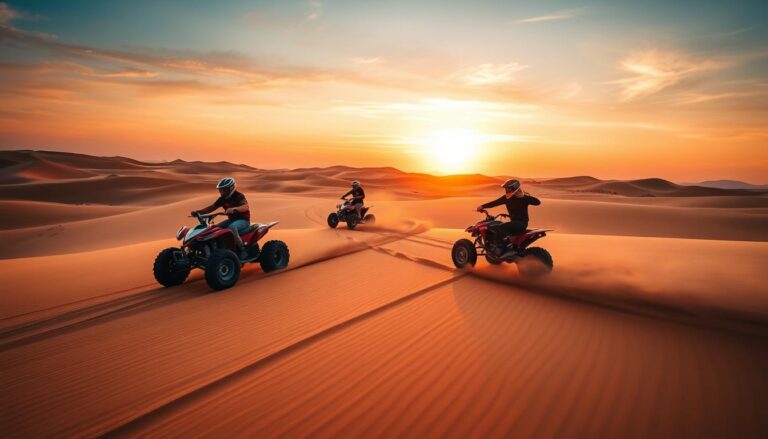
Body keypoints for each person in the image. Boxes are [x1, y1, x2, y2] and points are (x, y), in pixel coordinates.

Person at [190, 177, 251, 259]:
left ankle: (243, 250)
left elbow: (245, 207)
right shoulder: (222, 199)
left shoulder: (238, 196)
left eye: (224, 189)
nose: (222, 192)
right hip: (231, 220)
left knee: (232, 228)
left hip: (243, 220)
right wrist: (198, 212)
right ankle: (218, 248)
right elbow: (212, 207)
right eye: (221, 190)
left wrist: (234, 209)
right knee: (215, 229)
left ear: (231, 188)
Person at [477, 179, 540, 254]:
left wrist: (525, 196)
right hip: (513, 223)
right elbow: (495, 203)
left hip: (521, 223)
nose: (506, 190)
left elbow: (537, 202)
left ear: (515, 188)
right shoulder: (506, 198)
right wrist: (483, 206)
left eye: (508, 188)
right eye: (506, 189)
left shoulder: (523, 198)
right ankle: (498, 248)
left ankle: (508, 249)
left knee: (501, 227)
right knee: (497, 228)